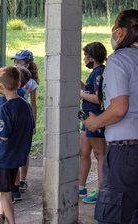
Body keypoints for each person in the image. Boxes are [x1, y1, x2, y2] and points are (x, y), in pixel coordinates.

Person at [84, 9, 138, 223]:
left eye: (114, 27)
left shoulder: (119, 60)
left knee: (113, 215)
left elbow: (118, 108)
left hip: (125, 151)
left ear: (121, 32)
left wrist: (94, 122)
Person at [0, 66, 34, 224]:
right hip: (18, 156)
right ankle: (1, 215)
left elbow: (3, 136)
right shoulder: (25, 104)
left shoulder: (4, 108)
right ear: (20, 84)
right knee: (2, 191)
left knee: (5, 194)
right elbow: (31, 128)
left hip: (4, 157)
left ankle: (10, 221)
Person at [78, 42, 107, 204]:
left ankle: (101, 190)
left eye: (85, 56)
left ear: (92, 57)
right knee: (84, 152)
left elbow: (98, 98)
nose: (84, 59)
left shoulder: (99, 73)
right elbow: (89, 91)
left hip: (96, 117)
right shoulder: (96, 72)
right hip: (87, 118)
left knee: (99, 153)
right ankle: (81, 187)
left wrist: (80, 93)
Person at [11, 50, 39, 193]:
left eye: (19, 62)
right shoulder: (10, 79)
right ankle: (14, 179)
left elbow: (33, 104)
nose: (16, 65)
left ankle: (22, 179)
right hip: (12, 117)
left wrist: (33, 123)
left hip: (24, 117)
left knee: (24, 150)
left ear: (27, 65)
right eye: (15, 62)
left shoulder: (31, 83)